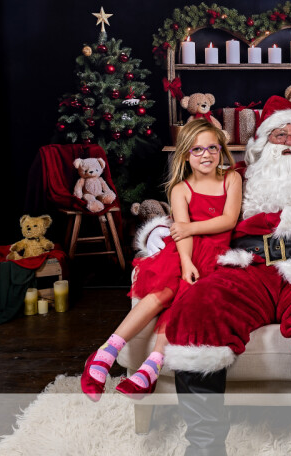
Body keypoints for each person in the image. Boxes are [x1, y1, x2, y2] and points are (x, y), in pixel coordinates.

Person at [143, 95, 291, 456]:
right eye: (280, 134)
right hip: (247, 264)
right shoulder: (236, 177)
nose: (290, 141)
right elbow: (194, 204)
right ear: (264, 141)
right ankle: (204, 447)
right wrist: (161, 234)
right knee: (200, 305)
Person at [80, 119, 242, 402]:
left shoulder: (231, 179)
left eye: (212, 148)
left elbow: (228, 220)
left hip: (216, 255)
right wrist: (186, 261)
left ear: (221, 150)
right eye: (197, 149)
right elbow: (180, 234)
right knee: (164, 291)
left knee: (184, 299)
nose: (206, 155)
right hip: (183, 250)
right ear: (186, 155)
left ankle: (151, 368)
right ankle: (105, 353)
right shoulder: (181, 189)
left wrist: (189, 227)